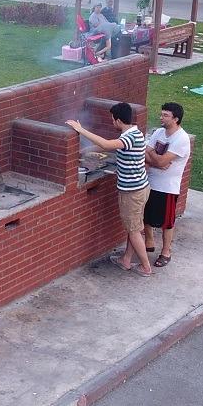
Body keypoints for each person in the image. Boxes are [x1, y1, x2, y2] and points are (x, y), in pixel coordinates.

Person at [67, 102, 152, 276]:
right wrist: (89, 149)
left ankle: (145, 267)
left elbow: (107, 145)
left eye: (113, 119)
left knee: (134, 230)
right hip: (141, 187)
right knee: (134, 228)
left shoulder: (129, 137)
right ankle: (126, 260)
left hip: (132, 192)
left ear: (118, 120)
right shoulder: (134, 132)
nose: (112, 122)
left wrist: (80, 129)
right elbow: (111, 145)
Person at [143, 103, 192, 267]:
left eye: (165, 115)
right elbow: (146, 154)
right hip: (150, 182)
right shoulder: (158, 132)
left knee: (167, 222)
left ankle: (166, 252)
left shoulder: (181, 139)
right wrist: (156, 160)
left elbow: (160, 160)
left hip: (167, 187)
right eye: (161, 114)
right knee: (145, 215)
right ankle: (149, 242)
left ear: (176, 119)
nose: (161, 118)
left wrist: (153, 156)